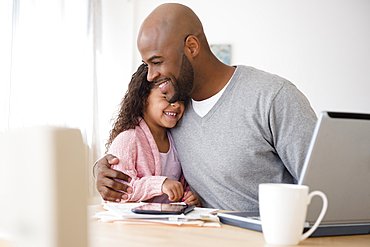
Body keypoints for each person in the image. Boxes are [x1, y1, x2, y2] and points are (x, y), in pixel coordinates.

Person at [94, 3, 317, 211]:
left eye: (157, 61)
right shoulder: (175, 112)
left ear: (191, 46)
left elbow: (327, 186)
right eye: (147, 65)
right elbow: (140, 147)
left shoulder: (272, 97)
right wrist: (101, 169)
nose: (151, 75)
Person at [104, 63, 199, 206]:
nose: (177, 105)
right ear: (144, 99)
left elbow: (181, 185)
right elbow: (119, 191)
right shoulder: (128, 139)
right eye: (167, 97)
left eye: (182, 100)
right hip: (133, 225)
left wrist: (187, 197)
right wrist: (160, 184)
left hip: (165, 223)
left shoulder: (177, 140)